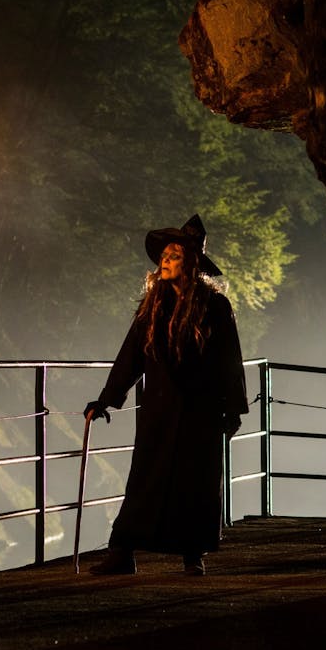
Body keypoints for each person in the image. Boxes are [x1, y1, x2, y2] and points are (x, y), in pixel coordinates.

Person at [84, 214, 248, 577]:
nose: (165, 262)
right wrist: (106, 399)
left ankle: (193, 554)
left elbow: (229, 361)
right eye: (164, 256)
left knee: (195, 482)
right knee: (145, 477)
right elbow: (131, 356)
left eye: (173, 256)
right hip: (159, 408)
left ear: (189, 263)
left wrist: (232, 410)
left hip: (200, 411)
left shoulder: (214, 307)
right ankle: (123, 552)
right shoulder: (153, 306)